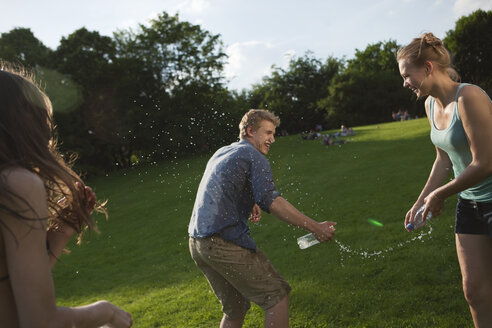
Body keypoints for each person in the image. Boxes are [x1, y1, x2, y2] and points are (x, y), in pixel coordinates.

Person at [0, 62, 133, 327]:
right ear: (20, 123)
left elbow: (11, 291)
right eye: (43, 119)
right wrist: (105, 312)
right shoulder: (14, 184)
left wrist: (61, 232)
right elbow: (38, 321)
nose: (49, 132)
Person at [188, 109, 336, 328]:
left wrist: (250, 200)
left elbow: (223, 185)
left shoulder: (223, 152)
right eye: (268, 133)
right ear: (250, 131)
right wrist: (315, 227)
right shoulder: (253, 156)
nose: (272, 139)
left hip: (197, 243)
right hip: (222, 243)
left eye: (273, 133)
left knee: (235, 309)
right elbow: (273, 202)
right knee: (276, 296)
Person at [397, 33, 492, 328]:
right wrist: (420, 200)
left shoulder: (469, 97)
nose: (405, 83)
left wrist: (439, 195)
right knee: (474, 291)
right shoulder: (429, 106)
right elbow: (443, 159)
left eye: (406, 75)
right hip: (470, 204)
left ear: (427, 68)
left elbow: (485, 162)